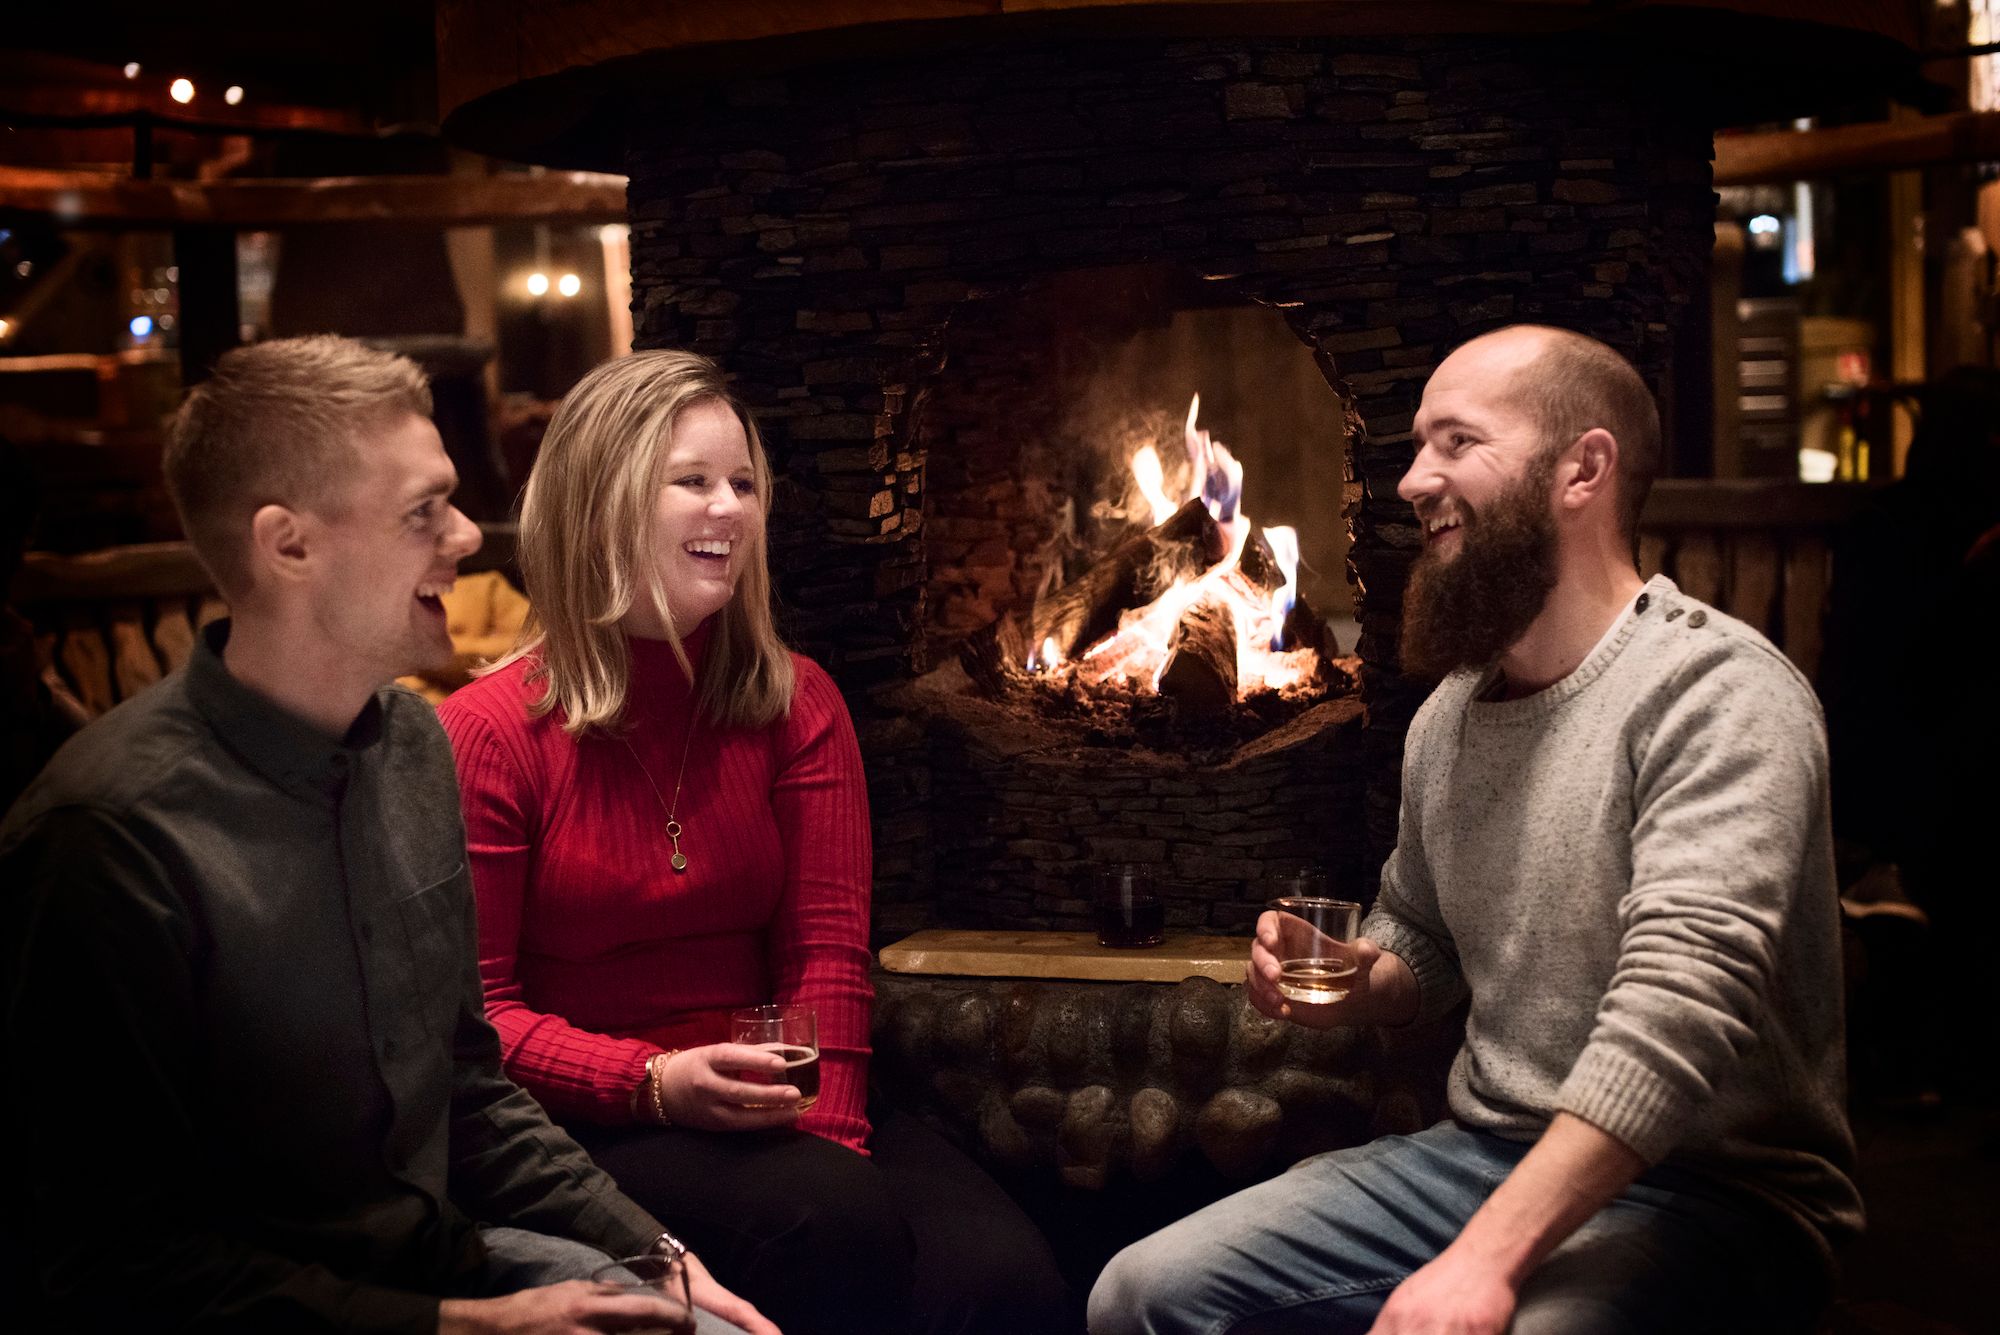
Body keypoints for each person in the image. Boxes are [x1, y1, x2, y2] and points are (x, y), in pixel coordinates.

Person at [1089, 325, 1863, 1335]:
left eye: (1456, 443)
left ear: (1581, 469)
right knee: (1140, 1294)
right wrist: (1364, 977)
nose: (1413, 481)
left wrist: (1485, 1262)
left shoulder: (1717, 695)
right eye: (1418, 446)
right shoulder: (1450, 713)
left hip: (1714, 1194)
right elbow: (1423, 930)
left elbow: (1681, 1011)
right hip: (1482, 1156)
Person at [0, 336, 772, 1335]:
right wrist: (474, 1325)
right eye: (423, 511)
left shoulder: (412, 743)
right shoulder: (105, 838)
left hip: (445, 1261)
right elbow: (115, 1264)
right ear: (288, 545)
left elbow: (466, 1087)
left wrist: (655, 1251)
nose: (466, 535)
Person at [437, 349, 1074, 1335]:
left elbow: (826, 952)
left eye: (743, 483)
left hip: (776, 1108)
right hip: (586, 1123)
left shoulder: (794, 700)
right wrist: (649, 1084)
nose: (729, 509)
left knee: (1003, 1279)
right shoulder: (486, 734)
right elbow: (476, 1019)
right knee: (833, 1224)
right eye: (691, 481)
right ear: (599, 504)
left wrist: (828, 1136)